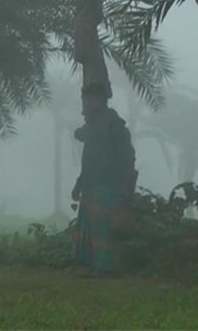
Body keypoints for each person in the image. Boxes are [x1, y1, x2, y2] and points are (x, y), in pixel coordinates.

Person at [71, 81, 137, 276]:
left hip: (108, 185)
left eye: (89, 100)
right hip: (92, 185)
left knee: (103, 229)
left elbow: (127, 157)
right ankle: (90, 265)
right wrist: (79, 183)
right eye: (85, 101)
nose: (86, 105)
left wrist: (124, 185)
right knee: (89, 227)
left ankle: (104, 267)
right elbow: (89, 158)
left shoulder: (113, 126)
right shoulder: (96, 126)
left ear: (101, 101)